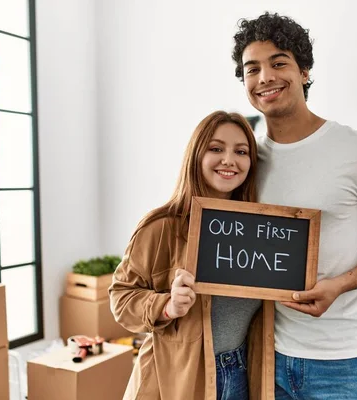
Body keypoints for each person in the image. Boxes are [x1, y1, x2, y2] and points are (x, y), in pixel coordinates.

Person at [232, 12, 357, 399]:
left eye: (279, 62)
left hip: (341, 363)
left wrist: (340, 284)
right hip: (266, 354)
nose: (265, 77)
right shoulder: (245, 162)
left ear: (305, 71)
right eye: (253, 69)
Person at [109, 110, 275, 400]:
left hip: (240, 372)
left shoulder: (260, 230)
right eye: (216, 148)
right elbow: (121, 298)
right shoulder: (161, 226)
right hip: (179, 378)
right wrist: (167, 306)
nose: (228, 160)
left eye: (241, 151)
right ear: (196, 155)